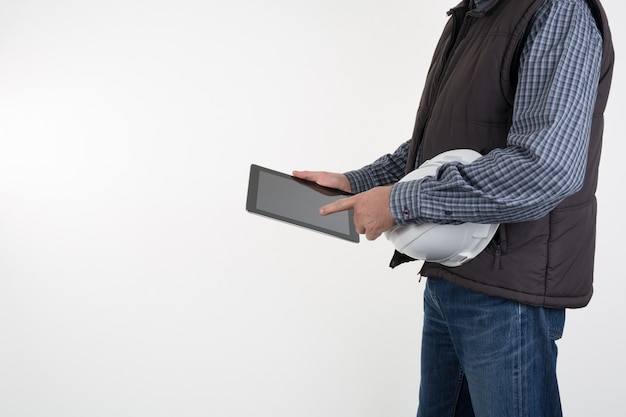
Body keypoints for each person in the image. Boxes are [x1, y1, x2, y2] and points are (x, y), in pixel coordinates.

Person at [293, 0, 614, 415]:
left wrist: (399, 201)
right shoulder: (475, 15)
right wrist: (361, 182)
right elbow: (442, 147)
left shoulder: (556, 8)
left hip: (507, 291)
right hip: (453, 273)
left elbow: (545, 167)